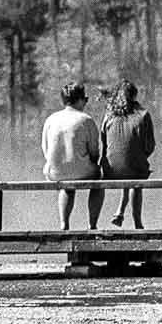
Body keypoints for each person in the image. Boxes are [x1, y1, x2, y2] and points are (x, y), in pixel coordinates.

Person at [41, 81, 105, 230]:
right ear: (80, 100)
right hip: (81, 171)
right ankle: (93, 224)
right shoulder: (86, 120)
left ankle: (64, 223)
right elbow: (94, 152)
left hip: (56, 172)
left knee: (67, 185)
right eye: (86, 99)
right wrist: (93, 164)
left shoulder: (51, 119)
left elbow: (45, 148)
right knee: (99, 178)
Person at [99, 80, 157, 228]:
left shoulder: (109, 116)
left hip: (110, 170)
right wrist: (138, 154)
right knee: (134, 168)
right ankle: (137, 222)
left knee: (128, 162)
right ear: (134, 96)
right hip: (134, 170)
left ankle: (119, 212)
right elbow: (150, 146)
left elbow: (104, 143)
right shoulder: (143, 115)